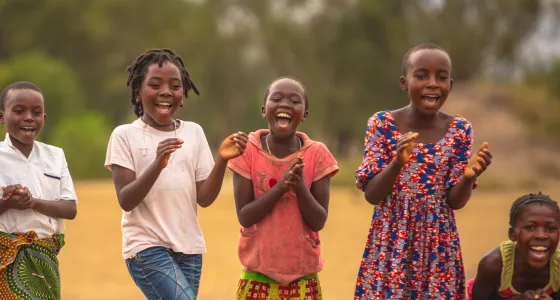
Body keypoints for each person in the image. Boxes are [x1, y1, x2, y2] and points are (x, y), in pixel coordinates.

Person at [105, 48, 248, 299]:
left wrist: (222, 161)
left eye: (174, 86)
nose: (165, 92)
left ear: (182, 95)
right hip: (146, 247)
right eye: (155, 84)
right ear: (138, 93)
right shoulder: (124, 135)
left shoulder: (193, 132)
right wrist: (158, 163)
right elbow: (126, 199)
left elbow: (203, 198)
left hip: (189, 248)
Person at [354, 43, 493, 299]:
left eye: (442, 77)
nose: (432, 83)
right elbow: (372, 195)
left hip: (438, 246)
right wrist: (397, 163)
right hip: (390, 244)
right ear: (404, 83)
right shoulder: (381, 124)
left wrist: (467, 178)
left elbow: (455, 201)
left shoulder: (460, 130)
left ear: (450, 85)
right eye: (421, 75)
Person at [228, 77, 339, 299]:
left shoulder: (317, 155)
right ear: (263, 110)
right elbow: (245, 216)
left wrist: (299, 186)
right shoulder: (247, 151)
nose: (285, 104)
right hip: (257, 275)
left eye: (294, 101)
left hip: (303, 278)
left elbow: (318, 221)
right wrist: (281, 187)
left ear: (305, 114)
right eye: (276, 98)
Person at [0, 81, 78, 300]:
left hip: (46, 257)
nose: (28, 117)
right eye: (18, 111)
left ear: (44, 118)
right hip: (6, 255)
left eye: (36, 112)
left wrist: (32, 202)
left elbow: (70, 208)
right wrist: (8, 202)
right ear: (1, 117)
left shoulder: (55, 155)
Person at [468, 192, 560, 300]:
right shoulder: (494, 264)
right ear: (512, 234)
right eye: (530, 227)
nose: (541, 235)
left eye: (551, 229)